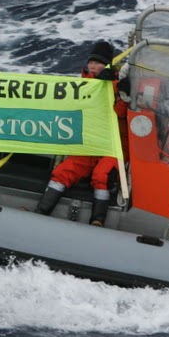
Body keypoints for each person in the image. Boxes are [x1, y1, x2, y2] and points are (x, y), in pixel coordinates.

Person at [34, 40, 126, 226]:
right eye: (91, 62)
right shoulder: (83, 85)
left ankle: (98, 220)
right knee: (63, 172)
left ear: (107, 64)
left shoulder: (119, 85)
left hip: (113, 147)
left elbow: (121, 113)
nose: (93, 66)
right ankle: (41, 212)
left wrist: (119, 90)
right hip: (90, 143)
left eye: (98, 62)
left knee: (101, 176)